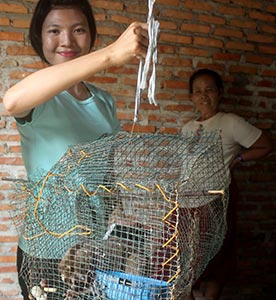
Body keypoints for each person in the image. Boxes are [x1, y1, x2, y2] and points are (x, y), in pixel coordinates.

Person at [3, 0, 148, 299]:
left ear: (90, 35)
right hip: (45, 252)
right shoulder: (39, 95)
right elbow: (12, 101)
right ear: (39, 38)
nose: (66, 40)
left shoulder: (104, 101)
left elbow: (104, 170)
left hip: (91, 250)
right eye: (54, 30)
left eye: (78, 30)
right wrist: (110, 55)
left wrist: (119, 212)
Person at [181, 68, 273, 300]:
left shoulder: (230, 122)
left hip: (216, 202)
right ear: (192, 96)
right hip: (188, 203)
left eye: (209, 90)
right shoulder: (187, 128)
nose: (203, 96)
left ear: (220, 93)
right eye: (198, 91)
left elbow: (265, 145)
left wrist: (239, 158)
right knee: (187, 260)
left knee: (217, 257)